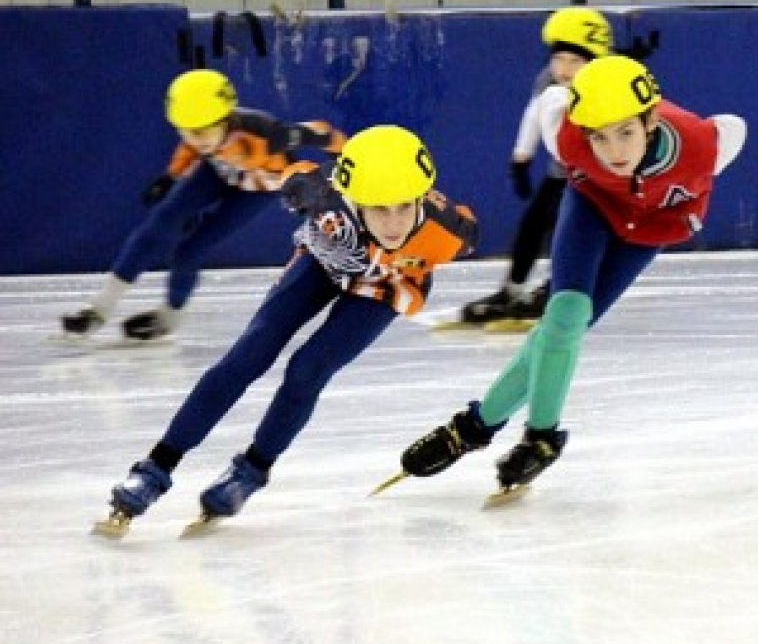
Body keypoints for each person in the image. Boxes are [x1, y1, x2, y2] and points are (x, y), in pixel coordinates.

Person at [93, 125, 478, 536]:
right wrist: (297, 187)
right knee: (248, 356)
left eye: (404, 207)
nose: (393, 222)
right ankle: (155, 468)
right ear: (352, 199)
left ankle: (252, 470)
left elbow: (469, 231)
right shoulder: (325, 198)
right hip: (326, 258)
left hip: (388, 282)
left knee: (307, 372)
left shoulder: (447, 231)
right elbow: (296, 171)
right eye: (378, 208)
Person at [395, 55, 747, 494]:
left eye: (626, 133)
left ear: (652, 120)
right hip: (593, 207)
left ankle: (473, 427)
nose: (614, 151)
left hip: (649, 226)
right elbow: (552, 102)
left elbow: (734, 128)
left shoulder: (704, 145)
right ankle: (542, 438)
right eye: (598, 138)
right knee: (565, 319)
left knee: (560, 330)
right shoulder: (564, 132)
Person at [61, 69, 347, 341]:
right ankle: (98, 310)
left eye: (200, 132)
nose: (193, 139)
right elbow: (190, 147)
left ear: (224, 120)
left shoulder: (267, 134)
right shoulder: (199, 135)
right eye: (185, 131)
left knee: (191, 250)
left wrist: (348, 156)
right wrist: (170, 176)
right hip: (217, 172)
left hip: (257, 189)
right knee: (159, 226)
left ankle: (169, 318)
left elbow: (320, 132)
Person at [458, 6, 612, 326]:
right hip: (561, 173)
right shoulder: (548, 80)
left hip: (593, 179)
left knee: (569, 232)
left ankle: (558, 290)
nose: (565, 69)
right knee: (532, 224)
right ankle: (512, 289)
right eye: (559, 59)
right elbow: (534, 112)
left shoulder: (605, 88)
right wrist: (521, 157)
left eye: (575, 61)